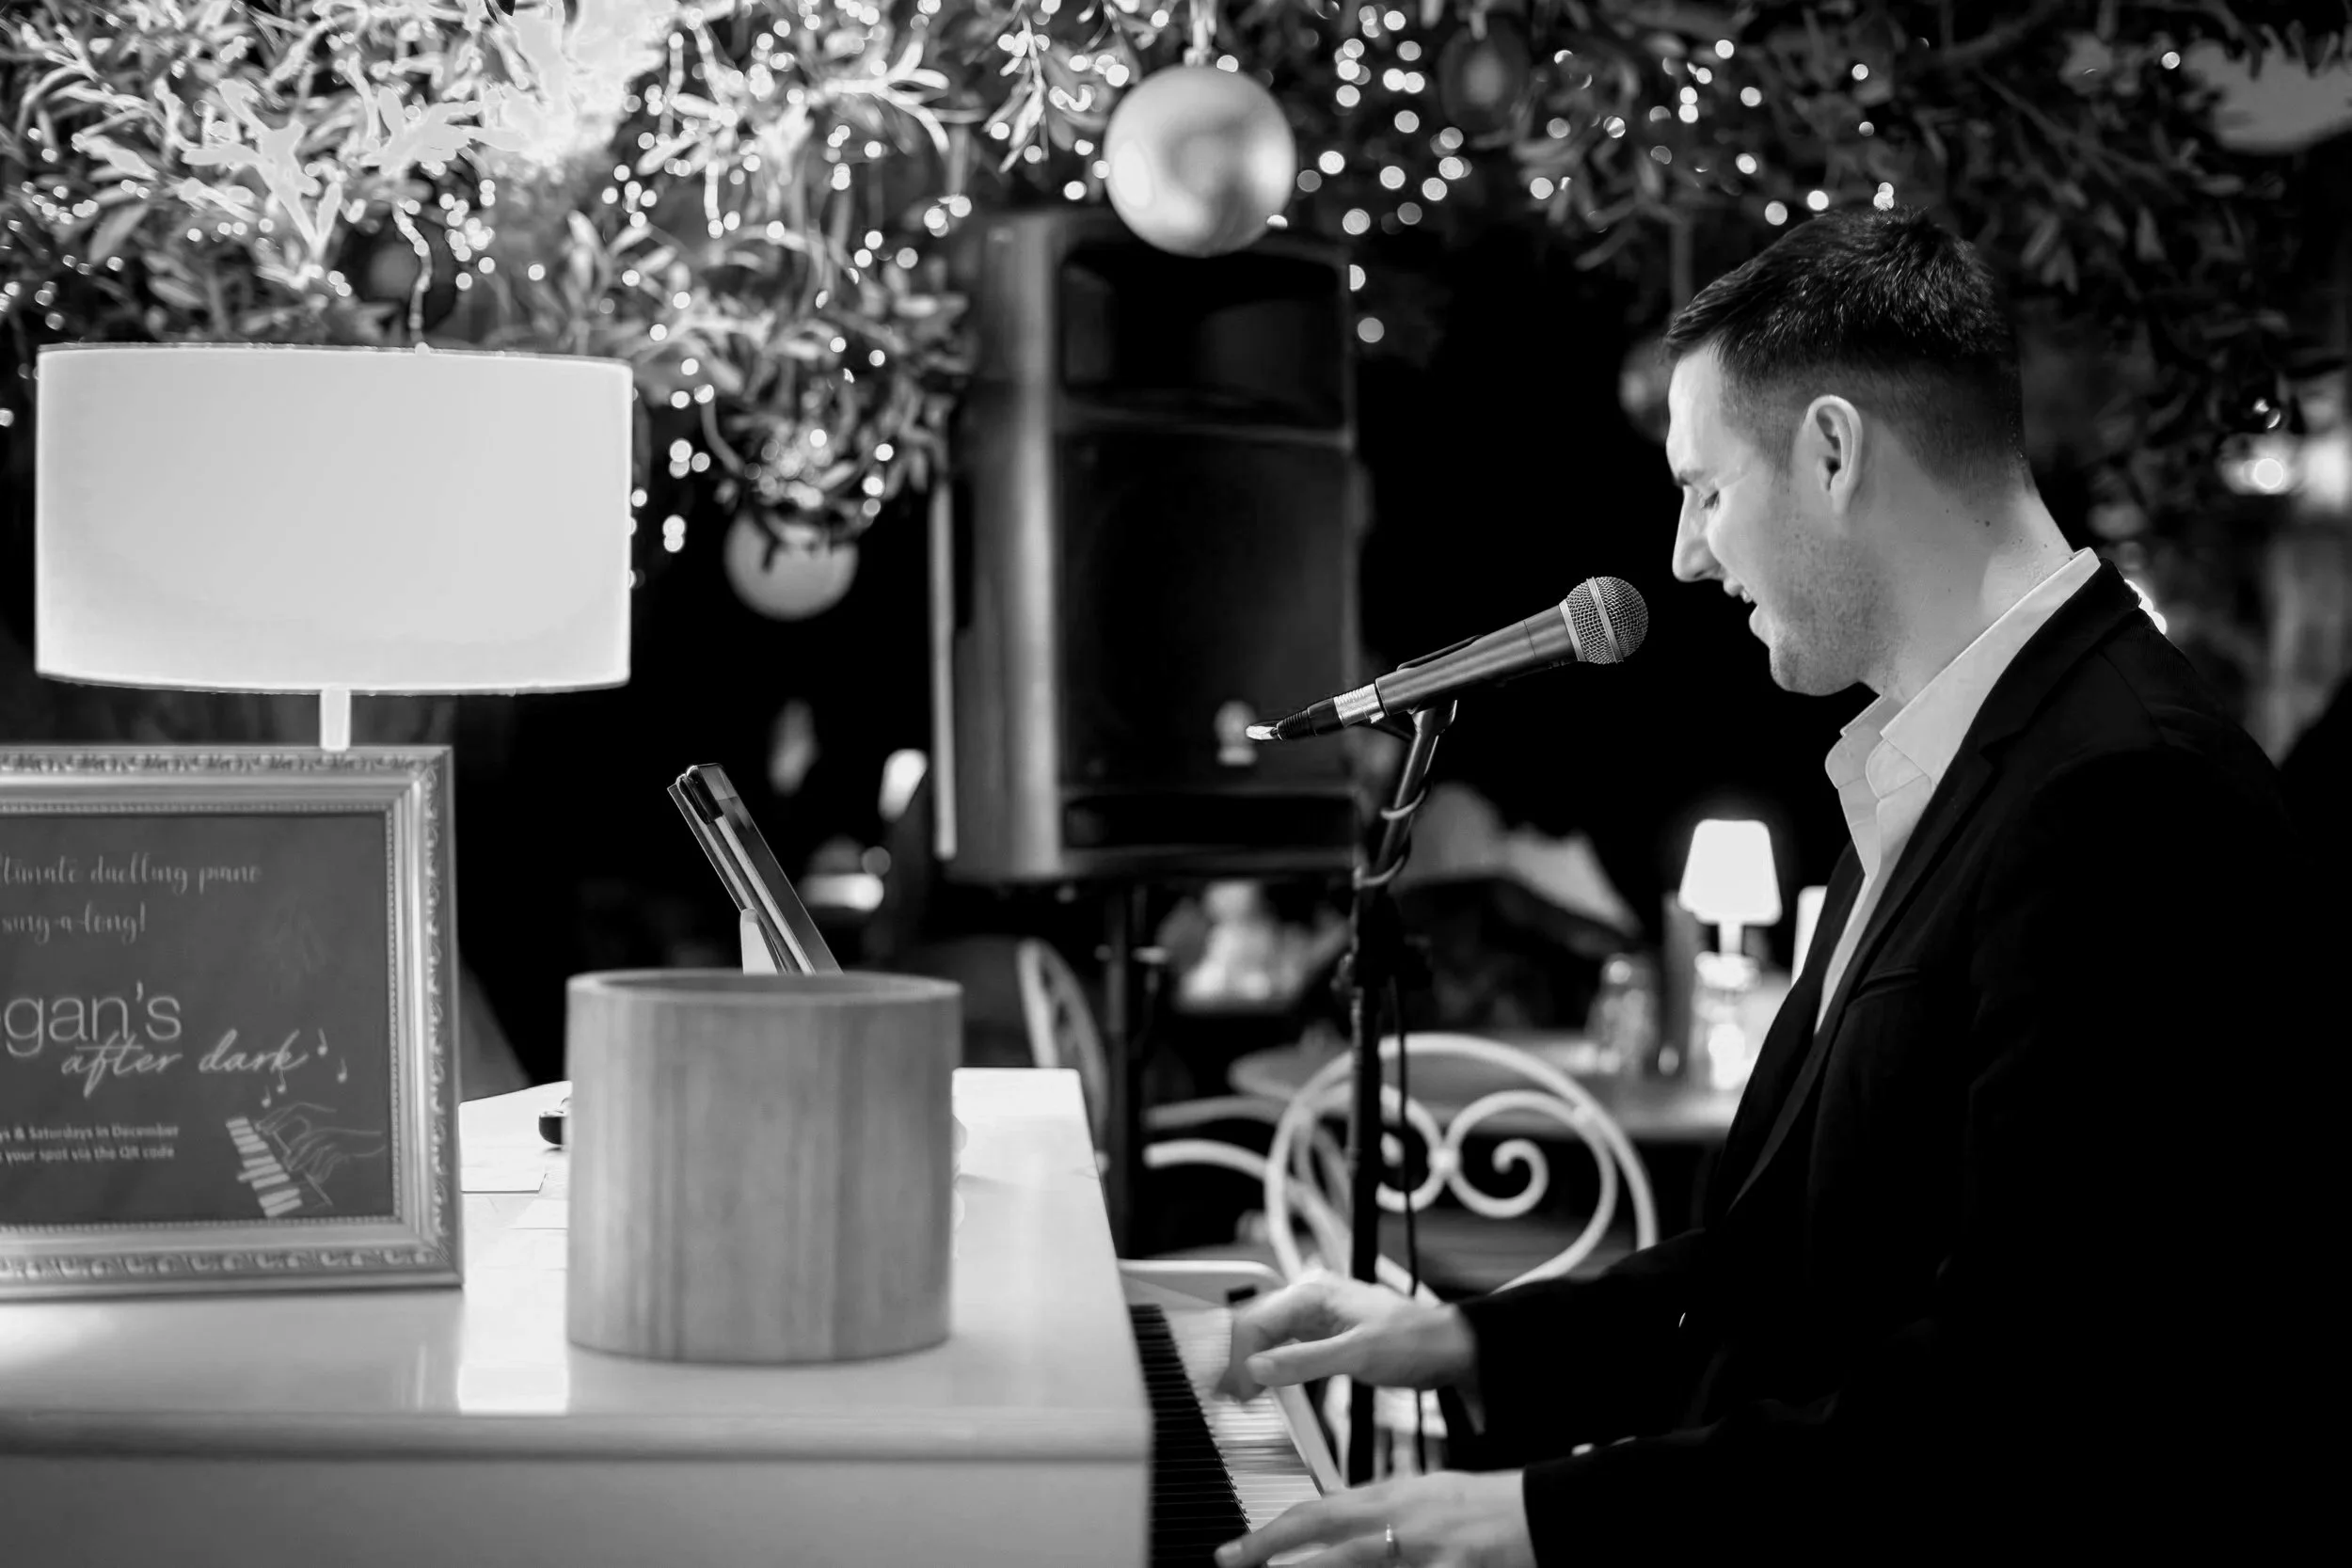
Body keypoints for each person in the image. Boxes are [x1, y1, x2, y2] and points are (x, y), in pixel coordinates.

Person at [1213, 207, 2323, 1565]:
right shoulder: (1942, 754)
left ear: (1835, 450)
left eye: (1707, 488)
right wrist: (1455, 1336)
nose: (1683, 555)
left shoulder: (2127, 797)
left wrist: (1532, 1515)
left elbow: (2025, 1394)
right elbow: (1783, 1263)